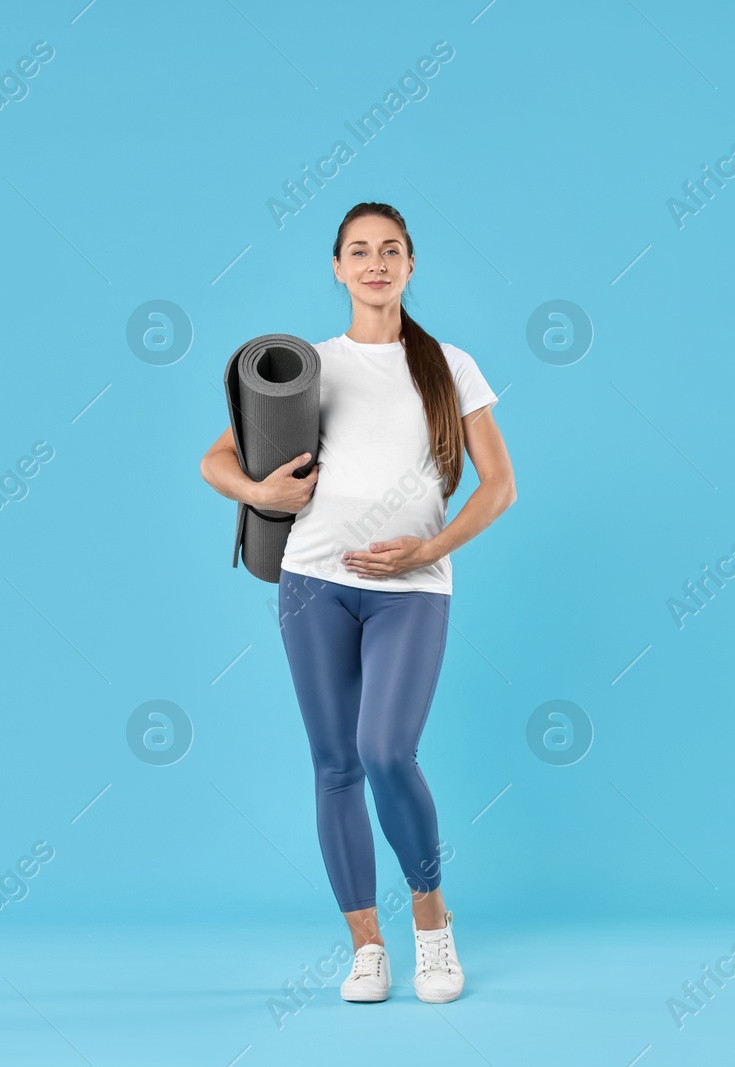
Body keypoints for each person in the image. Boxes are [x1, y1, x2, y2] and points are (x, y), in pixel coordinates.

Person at [200, 201, 516, 1004]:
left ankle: (432, 922)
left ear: (412, 265)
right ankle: (366, 947)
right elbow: (215, 460)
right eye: (359, 251)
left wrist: (430, 549)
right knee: (335, 764)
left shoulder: (451, 364)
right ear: (336, 269)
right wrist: (258, 490)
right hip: (312, 584)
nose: (376, 262)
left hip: (410, 588)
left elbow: (500, 486)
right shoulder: (305, 364)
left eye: (391, 250)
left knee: (385, 751)